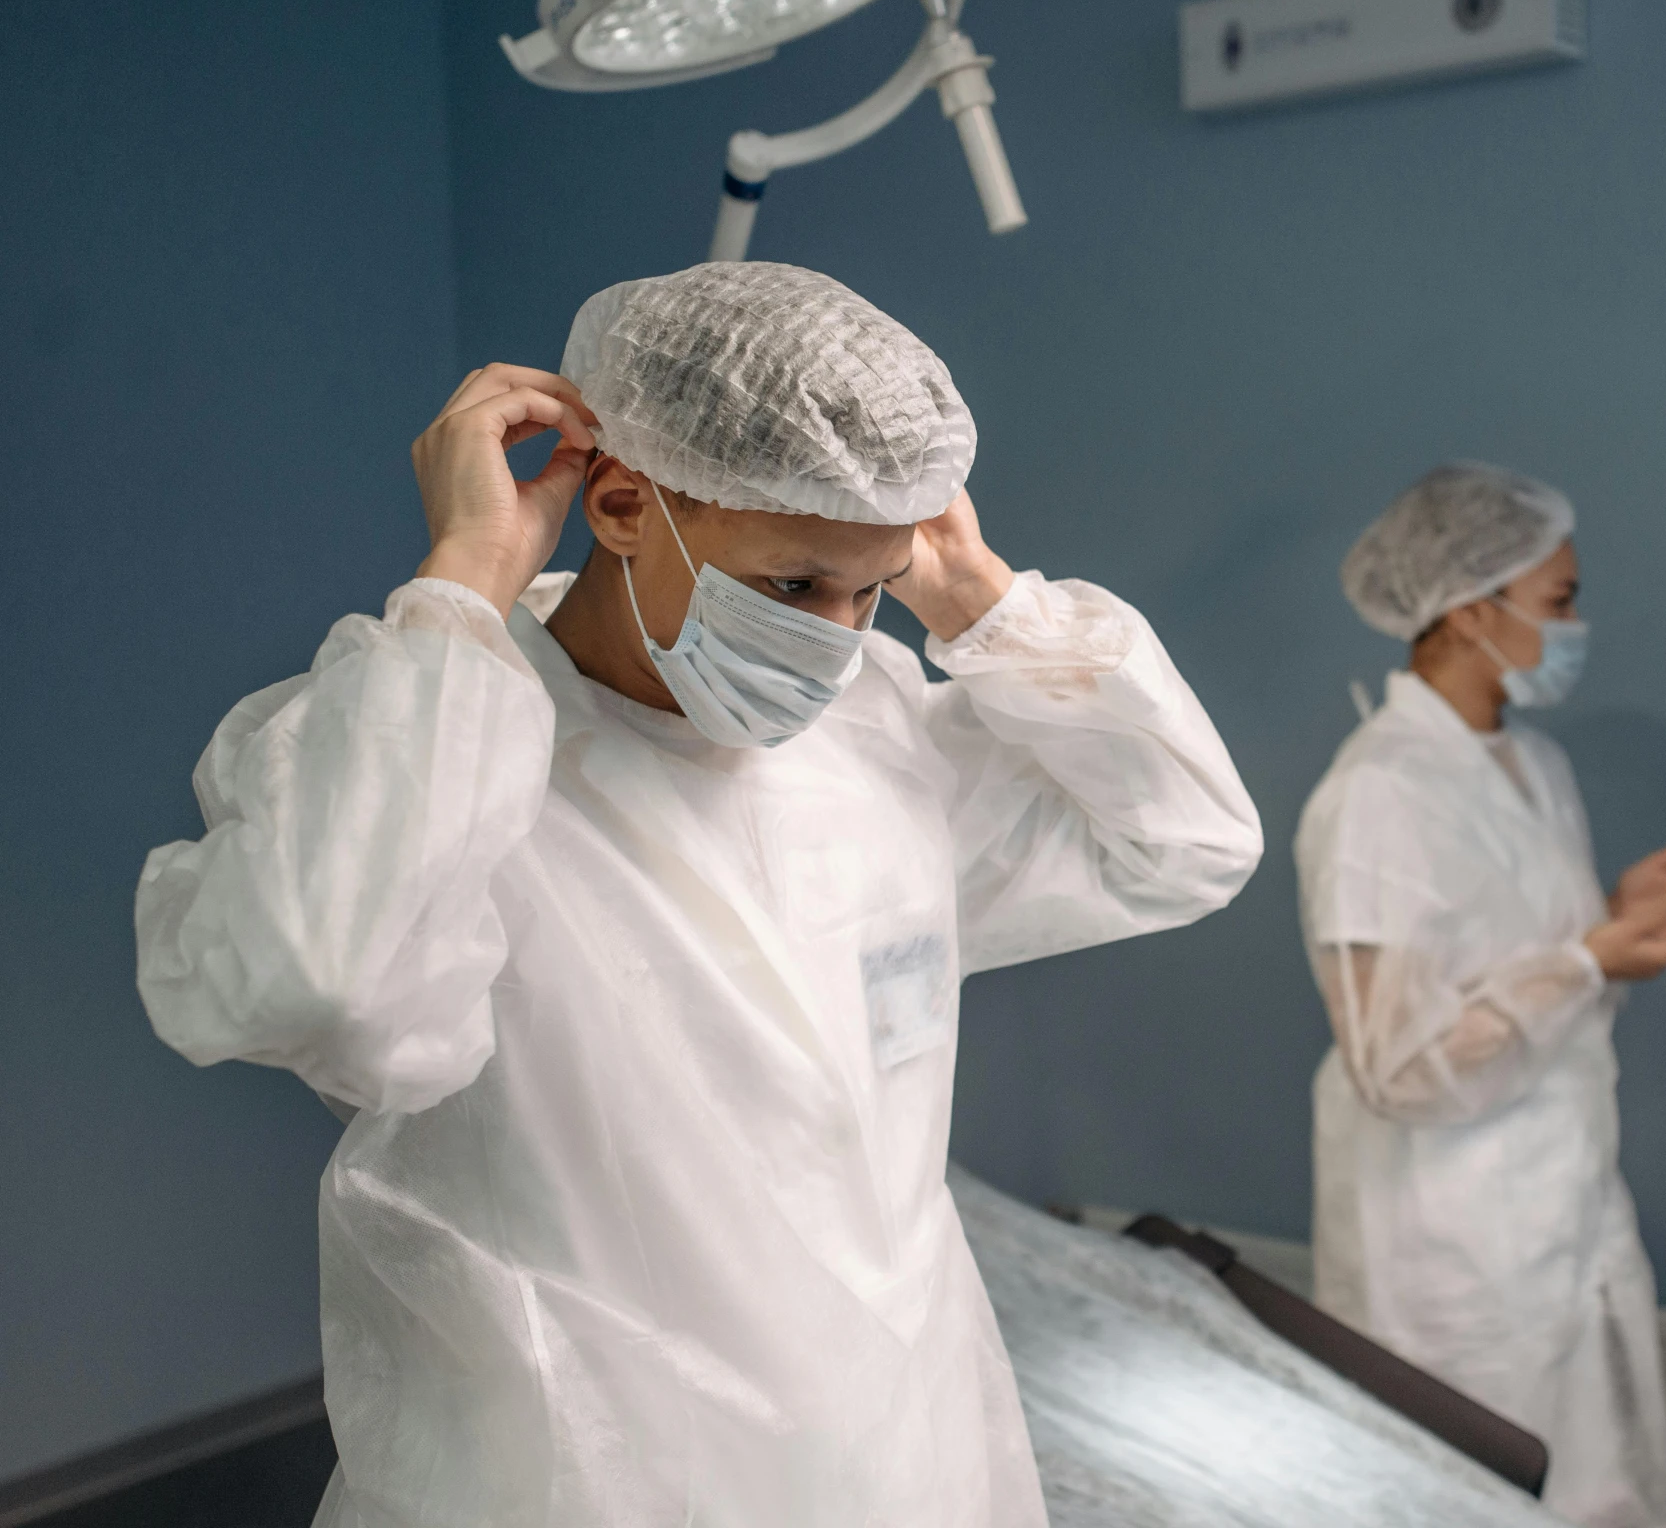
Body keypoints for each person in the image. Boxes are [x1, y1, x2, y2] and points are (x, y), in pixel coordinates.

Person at [133, 262, 1263, 1528]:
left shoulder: (877, 731)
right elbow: (313, 980)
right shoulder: (441, 737)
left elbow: (1184, 843)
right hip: (581, 1476)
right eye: (793, 586)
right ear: (621, 500)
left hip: (908, 1448)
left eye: (869, 587)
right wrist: (460, 589)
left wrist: (983, 605)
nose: (838, 640)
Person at [1298, 462, 1666, 1528]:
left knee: (1603, 1492)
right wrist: (1587, 958)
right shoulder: (1379, 793)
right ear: (1466, 609)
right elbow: (1400, 1066)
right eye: (1561, 600)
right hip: (1448, 1256)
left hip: (1568, 1209)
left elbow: (1538, 975)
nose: (1579, 623)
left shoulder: (1532, 764)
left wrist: (1607, 928)